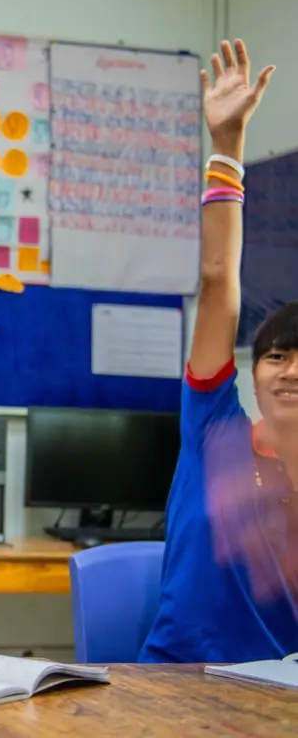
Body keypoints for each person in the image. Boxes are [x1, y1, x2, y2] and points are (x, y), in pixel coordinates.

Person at [140, 39, 298, 664]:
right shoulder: (213, 430)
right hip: (175, 686)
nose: (290, 370)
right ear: (252, 377)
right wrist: (227, 147)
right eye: (276, 356)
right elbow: (216, 280)